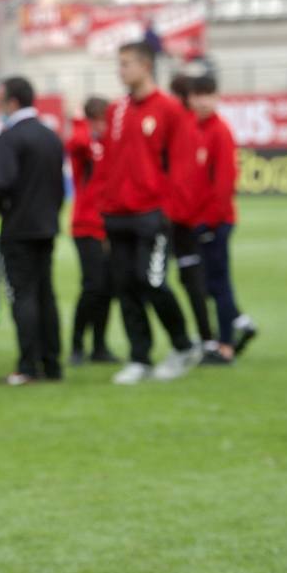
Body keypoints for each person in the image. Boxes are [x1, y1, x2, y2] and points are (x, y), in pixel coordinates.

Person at [97, 42, 199, 384]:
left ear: (145, 66)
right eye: (119, 63)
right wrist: (105, 205)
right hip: (117, 213)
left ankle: (184, 345)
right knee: (124, 285)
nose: (120, 70)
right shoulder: (117, 110)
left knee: (152, 280)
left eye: (126, 64)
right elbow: (109, 162)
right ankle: (139, 357)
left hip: (151, 214)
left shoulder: (169, 110)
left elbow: (182, 165)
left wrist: (167, 209)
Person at [0, 77, 64, 385]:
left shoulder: (9, 137)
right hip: (47, 226)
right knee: (46, 295)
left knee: (23, 295)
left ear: (13, 101)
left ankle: (28, 366)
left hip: (18, 228)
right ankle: (52, 363)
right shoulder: (50, 135)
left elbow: (3, 183)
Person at [187, 74, 258, 364]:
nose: (202, 101)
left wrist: (211, 221)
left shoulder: (219, 131)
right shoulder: (191, 128)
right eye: (197, 95)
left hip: (215, 221)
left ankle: (226, 344)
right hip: (197, 219)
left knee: (218, 283)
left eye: (208, 95)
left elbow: (224, 183)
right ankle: (229, 331)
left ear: (216, 97)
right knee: (205, 284)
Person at [65, 97, 117, 365]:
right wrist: (78, 121)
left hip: (109, 224)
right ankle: (77, 344)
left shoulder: (109, 145)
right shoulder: (84, 144)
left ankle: (99, 345)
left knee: (107, 287)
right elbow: (77, 142)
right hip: (85, 225)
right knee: (93, 286)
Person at [165, 74, 214, 352]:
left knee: (169, 278)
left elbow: (183, 177)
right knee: (189, 277)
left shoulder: (182, 127)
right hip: (185, 214)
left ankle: (196, 338)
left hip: (177, 216)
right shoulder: (192, 127)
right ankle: (205, 336)